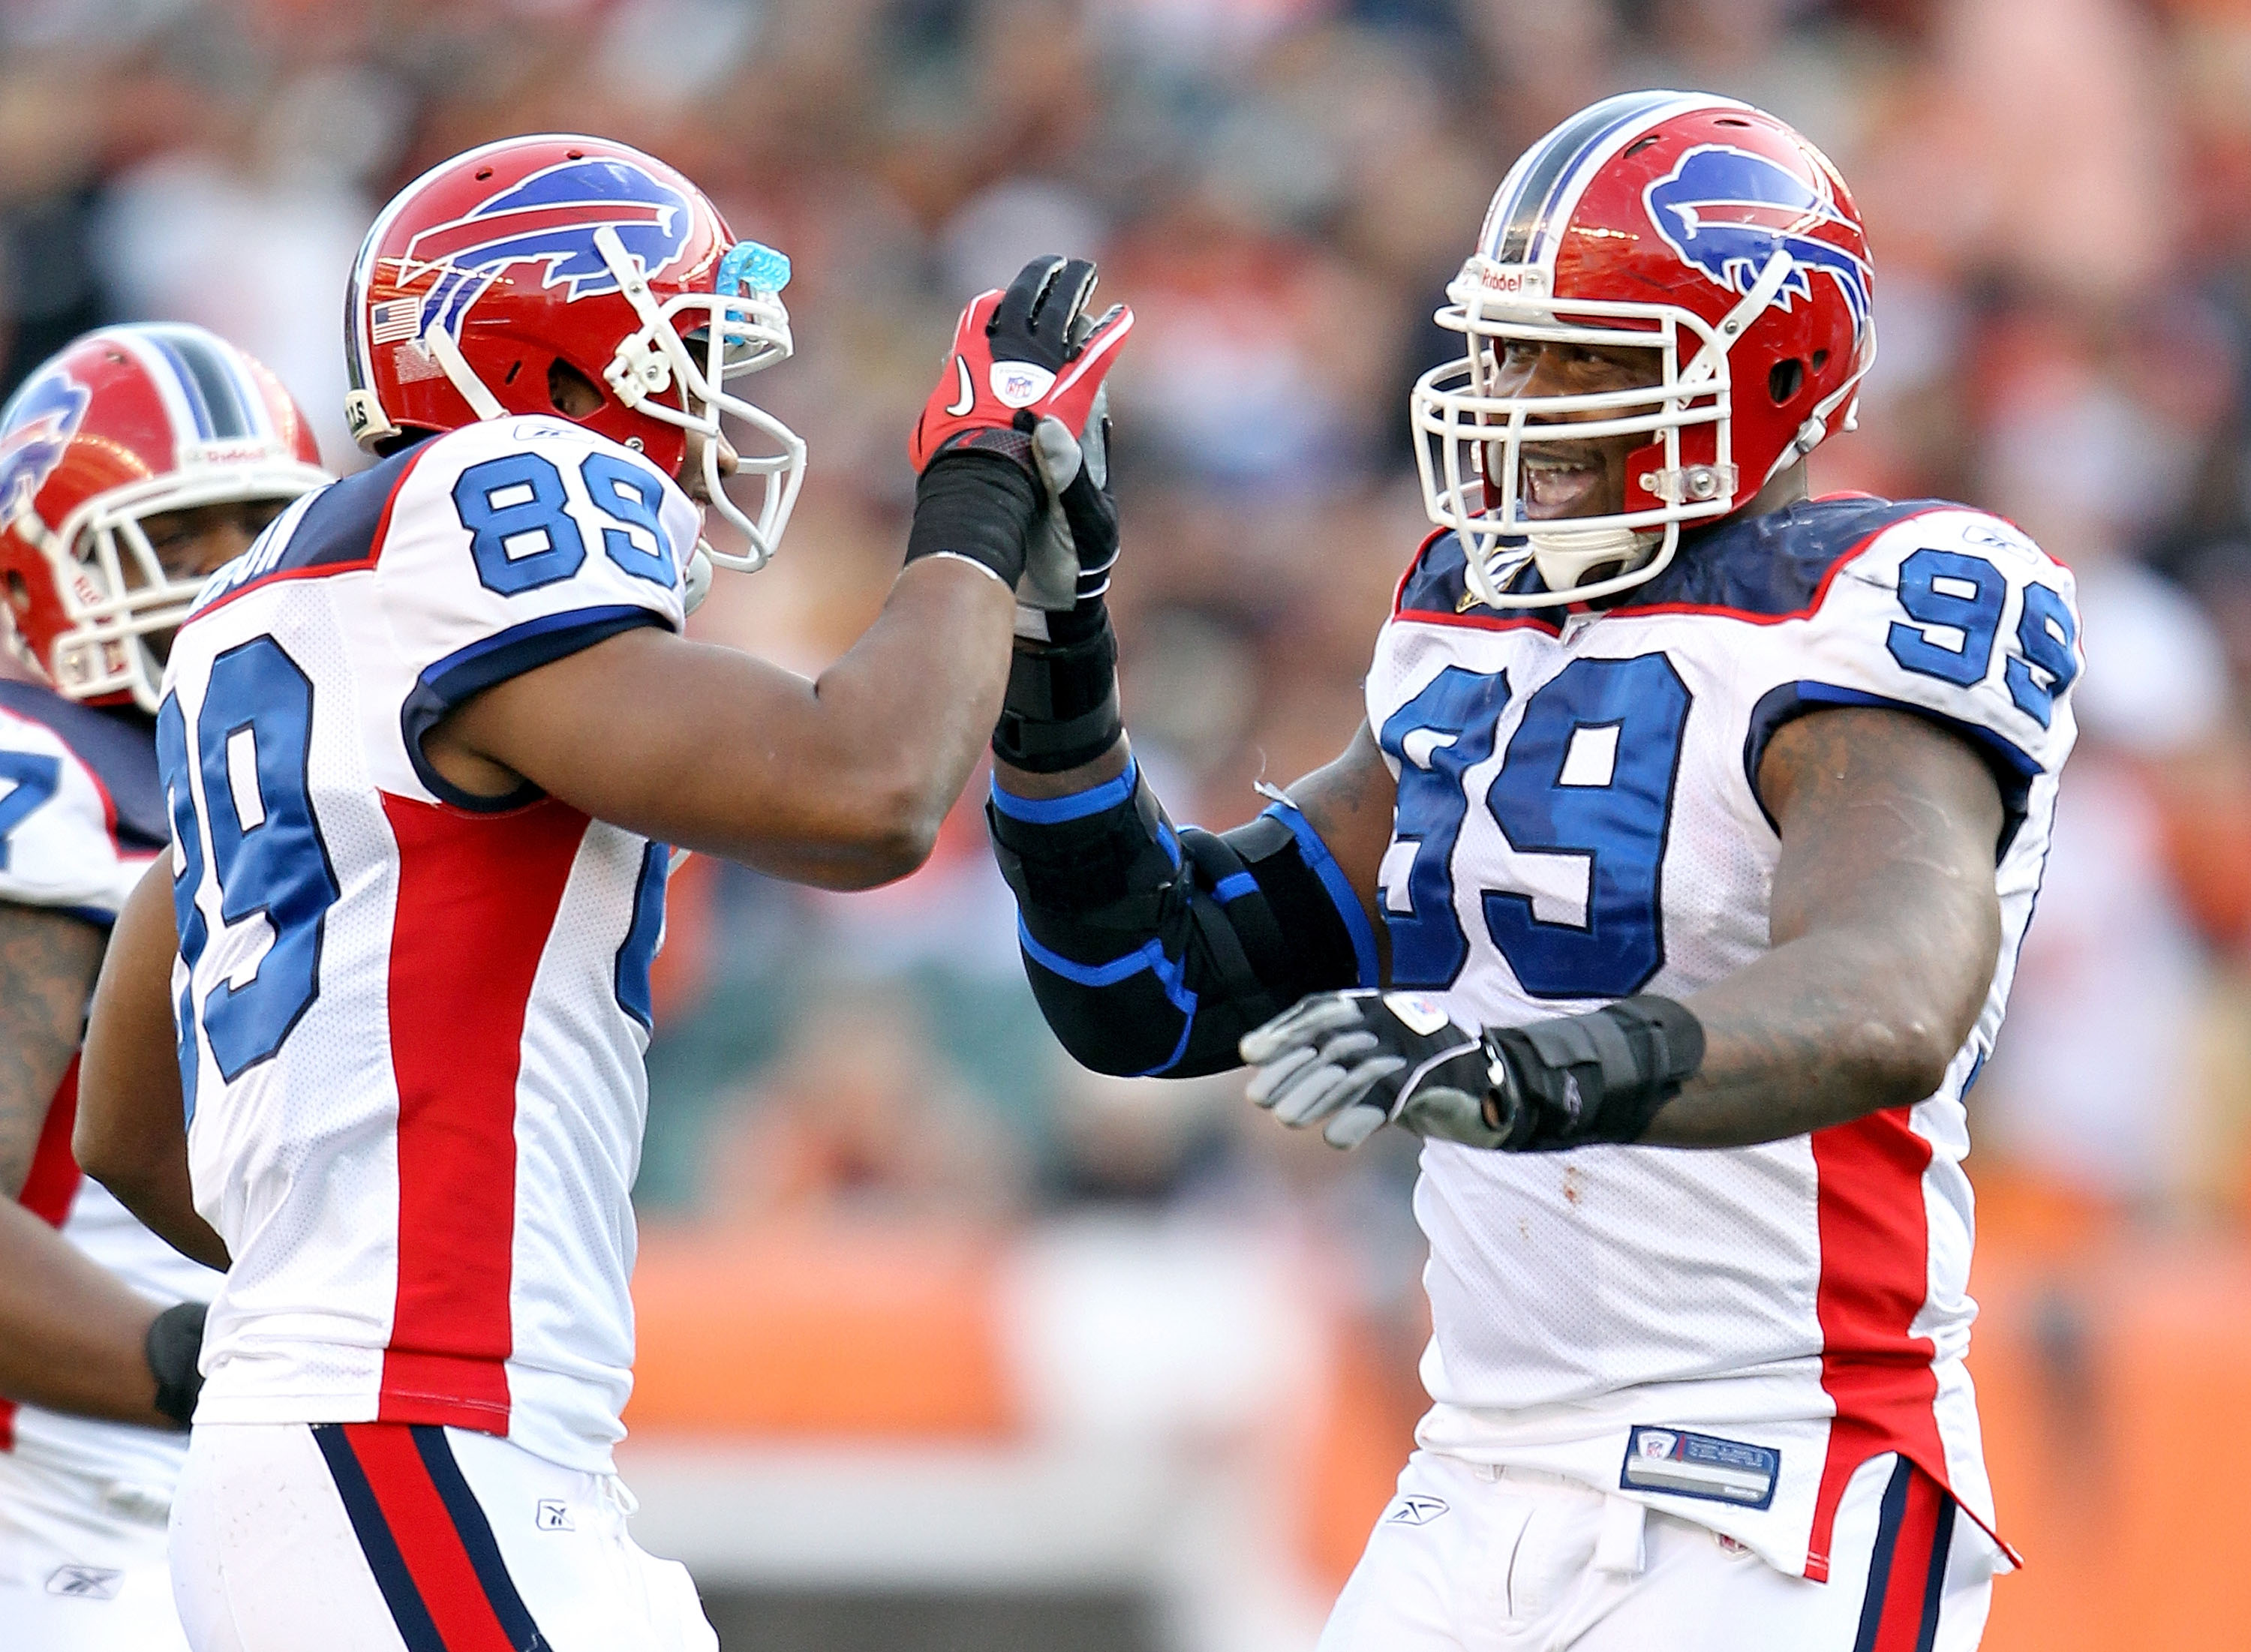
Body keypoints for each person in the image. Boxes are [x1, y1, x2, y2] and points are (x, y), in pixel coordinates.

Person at [982, 92, 2078, 1649]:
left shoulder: (1879, 601)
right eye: (1508, 346)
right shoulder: (1472, 622)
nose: (1517, 398)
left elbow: (1886, 997)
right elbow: (1153, 989)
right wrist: (1055, 648)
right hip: (1476, 1473)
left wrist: (1516, 1070)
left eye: (1588, 357)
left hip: (1772, 1477)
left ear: (1771, 371)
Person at [73, 132, 1127, 1652]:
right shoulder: (497, 499)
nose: (711, 417)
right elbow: (868, 788)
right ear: (564, 377)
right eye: (686, 352)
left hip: (394, 1437)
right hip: (414, 1441)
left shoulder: (285, 616)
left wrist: (336, 1288)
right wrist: (977, 485)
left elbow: (129, 1120)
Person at [0, 321, 329, 1650]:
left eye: (259, 530)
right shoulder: (50, 779)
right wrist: (216, 1366)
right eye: (181, 536)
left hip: (257, 1492)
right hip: (59, 1511)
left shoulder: (297, 785)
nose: (225, 577)